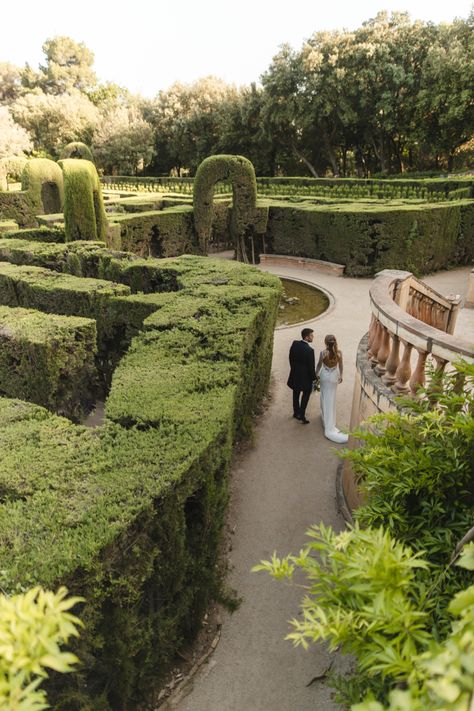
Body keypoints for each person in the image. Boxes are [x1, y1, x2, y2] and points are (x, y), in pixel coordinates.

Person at [315, 335, 348, 443]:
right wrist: (341, 375)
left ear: (326, 343)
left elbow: (319, 366)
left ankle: (326, 419)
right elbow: (341, 366)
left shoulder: (323, 353)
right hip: (334, 377)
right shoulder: (339, 353)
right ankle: (329, 420)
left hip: (325, 377)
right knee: (332, 398)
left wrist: (315, 376)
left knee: (324, 396)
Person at [287, 328, 317, 424]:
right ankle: (302, 415)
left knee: (296, 393)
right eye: (311, 336)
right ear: (306, 337)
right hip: (305, 378)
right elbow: (311, 367)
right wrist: (314, 378)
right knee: (306, 394)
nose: (313, 337)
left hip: (295, 374)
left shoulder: (295, 344)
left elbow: (290, 358)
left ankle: (296, 413)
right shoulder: (310, 350)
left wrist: (293, 369)